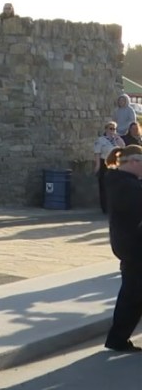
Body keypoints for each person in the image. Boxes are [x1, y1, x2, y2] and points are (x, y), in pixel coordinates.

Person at [102, 145, 142, 353]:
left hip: (129, 246)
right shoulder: (128, 187)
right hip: (135, 247)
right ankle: (117, 339)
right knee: (132, 296)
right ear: (134, 162)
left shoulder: (121, 181)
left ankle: (117, 339)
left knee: (132, 296)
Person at [94, 121, 126, 214]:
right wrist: (97, 165)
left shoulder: (116, 139)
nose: (112, 130)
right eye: (110, 128)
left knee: (116, 186)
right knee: (104, 186)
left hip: (116, 164)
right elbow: (97, 153)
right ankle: (105, 207)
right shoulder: (101, 140)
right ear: (106, 129)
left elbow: (123, 147)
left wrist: (118, 139)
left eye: (114, 129)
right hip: (104, 163)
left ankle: (114, 206)